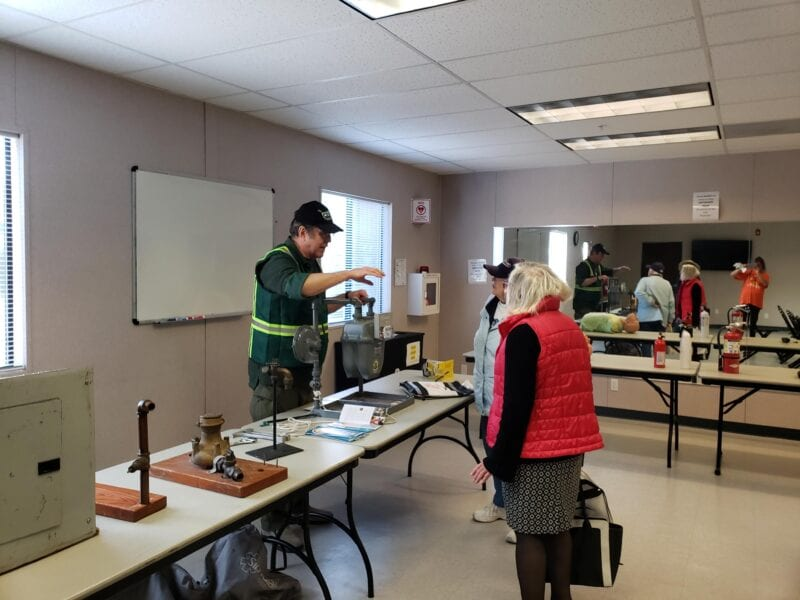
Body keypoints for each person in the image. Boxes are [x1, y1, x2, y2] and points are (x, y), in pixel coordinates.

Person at [471, 262, 604, 600]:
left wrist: (496, 460)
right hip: (569, 448)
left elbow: (518, 407)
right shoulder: (567, 327)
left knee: (529, 534)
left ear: (520, 293)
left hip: (536, 454)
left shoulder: (524, 334)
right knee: (558, 529)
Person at [248, 200, 384, 422]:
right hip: (276, 382)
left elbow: (316, 307)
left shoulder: (309, 264)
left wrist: (345, 298)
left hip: (305, 377)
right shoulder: (277, 261)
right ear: (302, 232)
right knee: (278, 451)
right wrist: (348, 273)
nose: (328, 241)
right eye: (323, 234)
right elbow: (299, 286)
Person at [471, 258, 522, 545]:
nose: (493, 286)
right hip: (489, 396)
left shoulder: (524, 313)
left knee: (512, 456)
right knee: (493, 451)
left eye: (499, 282)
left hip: (509, 398)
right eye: (494, 282)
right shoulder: (490, 307)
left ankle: (519, 516)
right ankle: (501, 504)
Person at [573, 243, 630, 319]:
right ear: (594, 253)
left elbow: (609, 271)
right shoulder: (583, 266)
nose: (603, 258)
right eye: (601, 255)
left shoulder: (598, 266)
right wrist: (598, 278)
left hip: (595, 306)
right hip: (583, 307)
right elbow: (582, 283)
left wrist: (619, 269)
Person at [634, 262, 675, 355]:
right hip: (662, 320)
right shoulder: (667, 283)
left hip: (646, 319)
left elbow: (638, 292)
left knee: (646, 345)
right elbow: (671, 303)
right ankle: (658, 365)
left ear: (652, 270)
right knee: (659, 346)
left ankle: (646, 366)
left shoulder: (644, 280)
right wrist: (670, 320)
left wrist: (652, 301)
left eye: (649, 269)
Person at [731, 257, 769, 337]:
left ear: (762, 265)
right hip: (745, 302)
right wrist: (741, 267)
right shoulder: (749, 273)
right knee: (742, 323)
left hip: (756, 303)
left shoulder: (765, 275)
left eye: (759, 264)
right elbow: (732, 274)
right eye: (756, 264)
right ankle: (739, 338)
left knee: (753, 324)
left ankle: (752, 342)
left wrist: (758, 273)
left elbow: (765, 284)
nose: (757, 266)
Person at [675, 260, 706, 329]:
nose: (680, 273)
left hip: (691, 320)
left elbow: (696, 305)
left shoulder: (695, 285)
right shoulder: (684, 284)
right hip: (684, 317)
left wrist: (695, 323)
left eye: (682, 271)